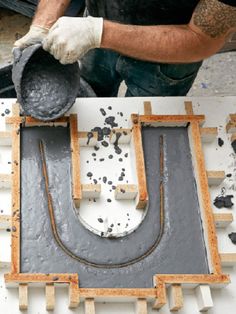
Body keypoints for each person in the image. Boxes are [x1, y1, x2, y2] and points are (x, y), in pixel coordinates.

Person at [14, 0, 236, 97]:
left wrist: (99, 33)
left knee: (147, 127)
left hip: (167, 56)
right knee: (89, 95)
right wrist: (43, 24)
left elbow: (201, 38)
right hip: (89, 30)